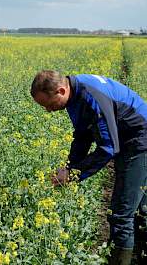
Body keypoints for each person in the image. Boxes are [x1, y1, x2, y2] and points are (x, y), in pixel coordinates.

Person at [31, 70, 147, 265]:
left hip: (139, 141)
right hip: (129, 138)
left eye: (48, 105)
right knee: (139, 208)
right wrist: (69, 168)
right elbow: (82, 136)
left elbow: (108, 148)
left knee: (120, 215)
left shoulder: (91, 96)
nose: (48, 111)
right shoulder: (75, 93)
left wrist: (74, 175)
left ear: (61, 90)